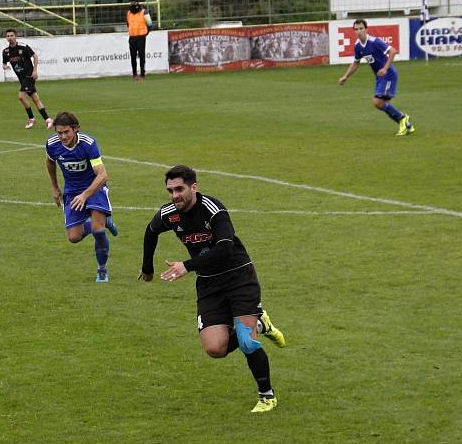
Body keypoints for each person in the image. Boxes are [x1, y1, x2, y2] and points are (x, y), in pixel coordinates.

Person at [138, 165, 286, 413]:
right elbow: (150, 231)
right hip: (209, 284)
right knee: (214, 349)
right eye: (170, 190)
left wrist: (187, 266)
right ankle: (261, 324)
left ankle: (267, 396)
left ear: (194, 187)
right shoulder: (169, 214)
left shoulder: (213, 209)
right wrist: (147, 268)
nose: (175, 195)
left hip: (239, 277)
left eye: (179, 189)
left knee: (247, 343)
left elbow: (225, 248)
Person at [45, 111, 118, 283]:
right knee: (74, 237)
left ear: (76, 129)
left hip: (94, 188)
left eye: (66, 132)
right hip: (71, 191)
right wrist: (55, 187)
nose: (63, 136)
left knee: (98, 231)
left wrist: (85, 195)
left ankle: (102, 270)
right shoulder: (52, 144)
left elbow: (102, 175)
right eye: (59, 132)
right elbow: (49, 161)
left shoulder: (88, 144)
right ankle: (103, 222)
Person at [339, 18, 415, 136]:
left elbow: (393, 51)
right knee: (382, 104)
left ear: (366, 29)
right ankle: (406, 125)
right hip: (379, 77)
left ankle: (403, 118)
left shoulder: (374, 42)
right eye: (356, 29)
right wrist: (345, 76)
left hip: (388, 74)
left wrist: (385, 69)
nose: (359, 31)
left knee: (377, 102)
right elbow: (356, 63)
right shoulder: (358, 46)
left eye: (361, 29)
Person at [2, 28, 53, 129]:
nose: (10, 38)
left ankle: (31, 119)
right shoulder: (6, 51)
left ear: (15, 36)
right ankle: (48, 120)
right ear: (6, 37)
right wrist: (5, 66)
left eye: (12, 36)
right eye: (8, 36)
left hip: (29, 76)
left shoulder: (23, 47)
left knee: (21, 97)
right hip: (21, 78)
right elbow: (4, 63)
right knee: (35, 99)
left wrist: (35, 71)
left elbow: (35, 56)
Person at [126, 0, 152, 80]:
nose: (133, 3)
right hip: (132, 37)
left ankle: (142, 74)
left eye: (134, 2)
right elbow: (128, 24)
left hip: (141, 37)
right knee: (133, 57)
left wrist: (145, 33)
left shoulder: (144, 11)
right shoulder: (129, 13)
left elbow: (150, 23)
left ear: (137, 2)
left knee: (142, 56)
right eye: (131, 2)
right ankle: (134, 74)